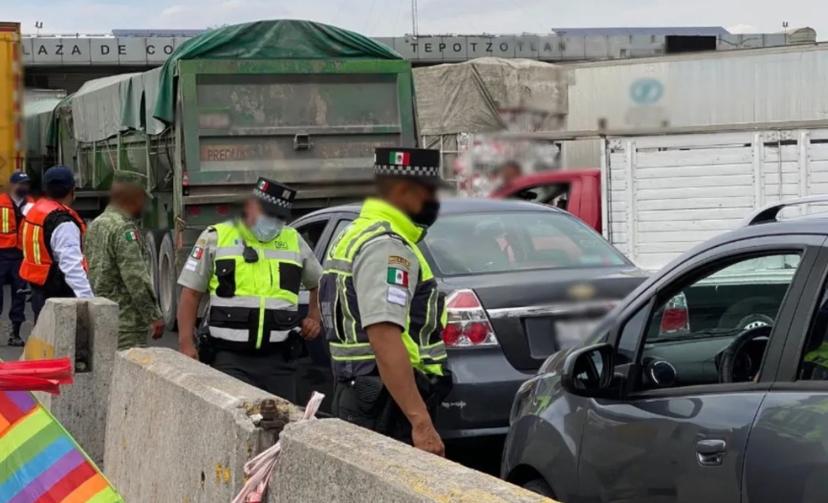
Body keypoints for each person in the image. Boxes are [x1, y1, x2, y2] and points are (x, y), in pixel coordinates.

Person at [319, 147, 451, 457]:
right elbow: (384, 337)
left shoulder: (357, 233)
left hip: (364, 392)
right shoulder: (386, 246)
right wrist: (421, 423)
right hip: (386, 405)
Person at [176, 178, 323, 401]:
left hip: (280, 362)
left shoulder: (293, 240)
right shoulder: (216, 236)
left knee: (280, 428)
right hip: (229, 359)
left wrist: (314, 315)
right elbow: (191, 293)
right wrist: (186, 343)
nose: (272, 221)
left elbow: (320, 283)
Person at [85, 171, 165, 350]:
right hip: (126, 324)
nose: (145, 205)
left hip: (102, 316)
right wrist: (153, 315)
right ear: (134, 197)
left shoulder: (97, 224)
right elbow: (135, 276)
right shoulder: (124, 229)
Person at [19, 166, 93, 320]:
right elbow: (71, 266)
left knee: (43, 340)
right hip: (58, 295)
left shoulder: (36, 211)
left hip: (38, 288)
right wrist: (89, 301)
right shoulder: (63, 223)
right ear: (72, 190)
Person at [0, 172, 34, 346]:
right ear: (12, 185)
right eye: (21, 184)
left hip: (21, 256)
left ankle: (15, 333)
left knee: (19, 295)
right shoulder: (0, 202)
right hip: (1, 255)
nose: (24, 187)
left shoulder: (32, 205)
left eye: (26, 184)